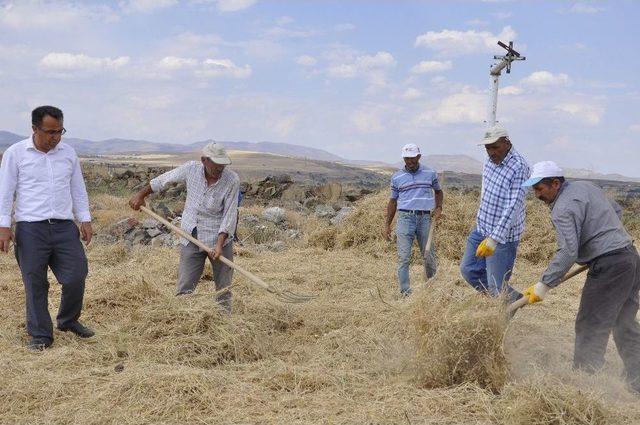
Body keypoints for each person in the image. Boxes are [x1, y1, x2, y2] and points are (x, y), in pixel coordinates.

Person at [520, 161, 640, 393]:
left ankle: (584, 385)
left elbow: (567, 251)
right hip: (630, 258)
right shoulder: (587, 187)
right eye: (533, 189)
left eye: (539, 189)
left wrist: (544, 284)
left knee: (591, 324)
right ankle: (637, 381)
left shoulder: (563, 208)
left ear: (556, 183)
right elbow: (616, 210)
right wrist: (606, 234)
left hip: (610, 265)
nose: (536, 195)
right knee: (623, 322)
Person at [0, 106, 94, 351]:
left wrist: (84, 218)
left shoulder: (68, 153)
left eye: (60, 131)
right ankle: (41, 335)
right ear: (34, 129)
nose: (56, 137)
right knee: (35, 282)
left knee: (76, 274)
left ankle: (68, 320)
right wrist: (4, 226)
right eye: (50, 132)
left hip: (64, 227)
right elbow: (5, 192)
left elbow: (78, 189)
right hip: (30, 228)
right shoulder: (16, 153)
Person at [129, 142, 239, 313]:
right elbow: (164, 180)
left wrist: (218, 245)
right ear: (204, 160)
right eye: (216, 165)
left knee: (223, 288)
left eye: (222, 165)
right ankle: (182, 318)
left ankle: (224, 319)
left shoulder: (231, 180)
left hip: (219, 239)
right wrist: (140, 195)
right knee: (185, 287)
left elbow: (229, 215)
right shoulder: (191, 169)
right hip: (191, 235)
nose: (220, 169)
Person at [459, 125, 530, 302]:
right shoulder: (489, 160)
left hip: (503, 236)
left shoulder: (519, 167)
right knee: (468, 270)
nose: (491, 152)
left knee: (497, 285)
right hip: (482, 227)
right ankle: (512, 298)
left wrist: (494, 239)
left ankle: (502, 313)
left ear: (507, 143)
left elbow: (513, 206)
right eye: (487, 148)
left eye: (495, 147)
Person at [384, 143, 443, 296]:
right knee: (403, 257)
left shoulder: (430, 173)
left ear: (418, 156)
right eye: (406, 158)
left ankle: (432, 290)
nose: (409, 162)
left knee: (429, 255)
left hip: (424, 219)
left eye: (412, 158)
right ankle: (405, 292)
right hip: (404, 219)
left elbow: (438, 192)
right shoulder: (397, 177)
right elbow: (393, 202)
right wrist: (387, 225)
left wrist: (439, 208)